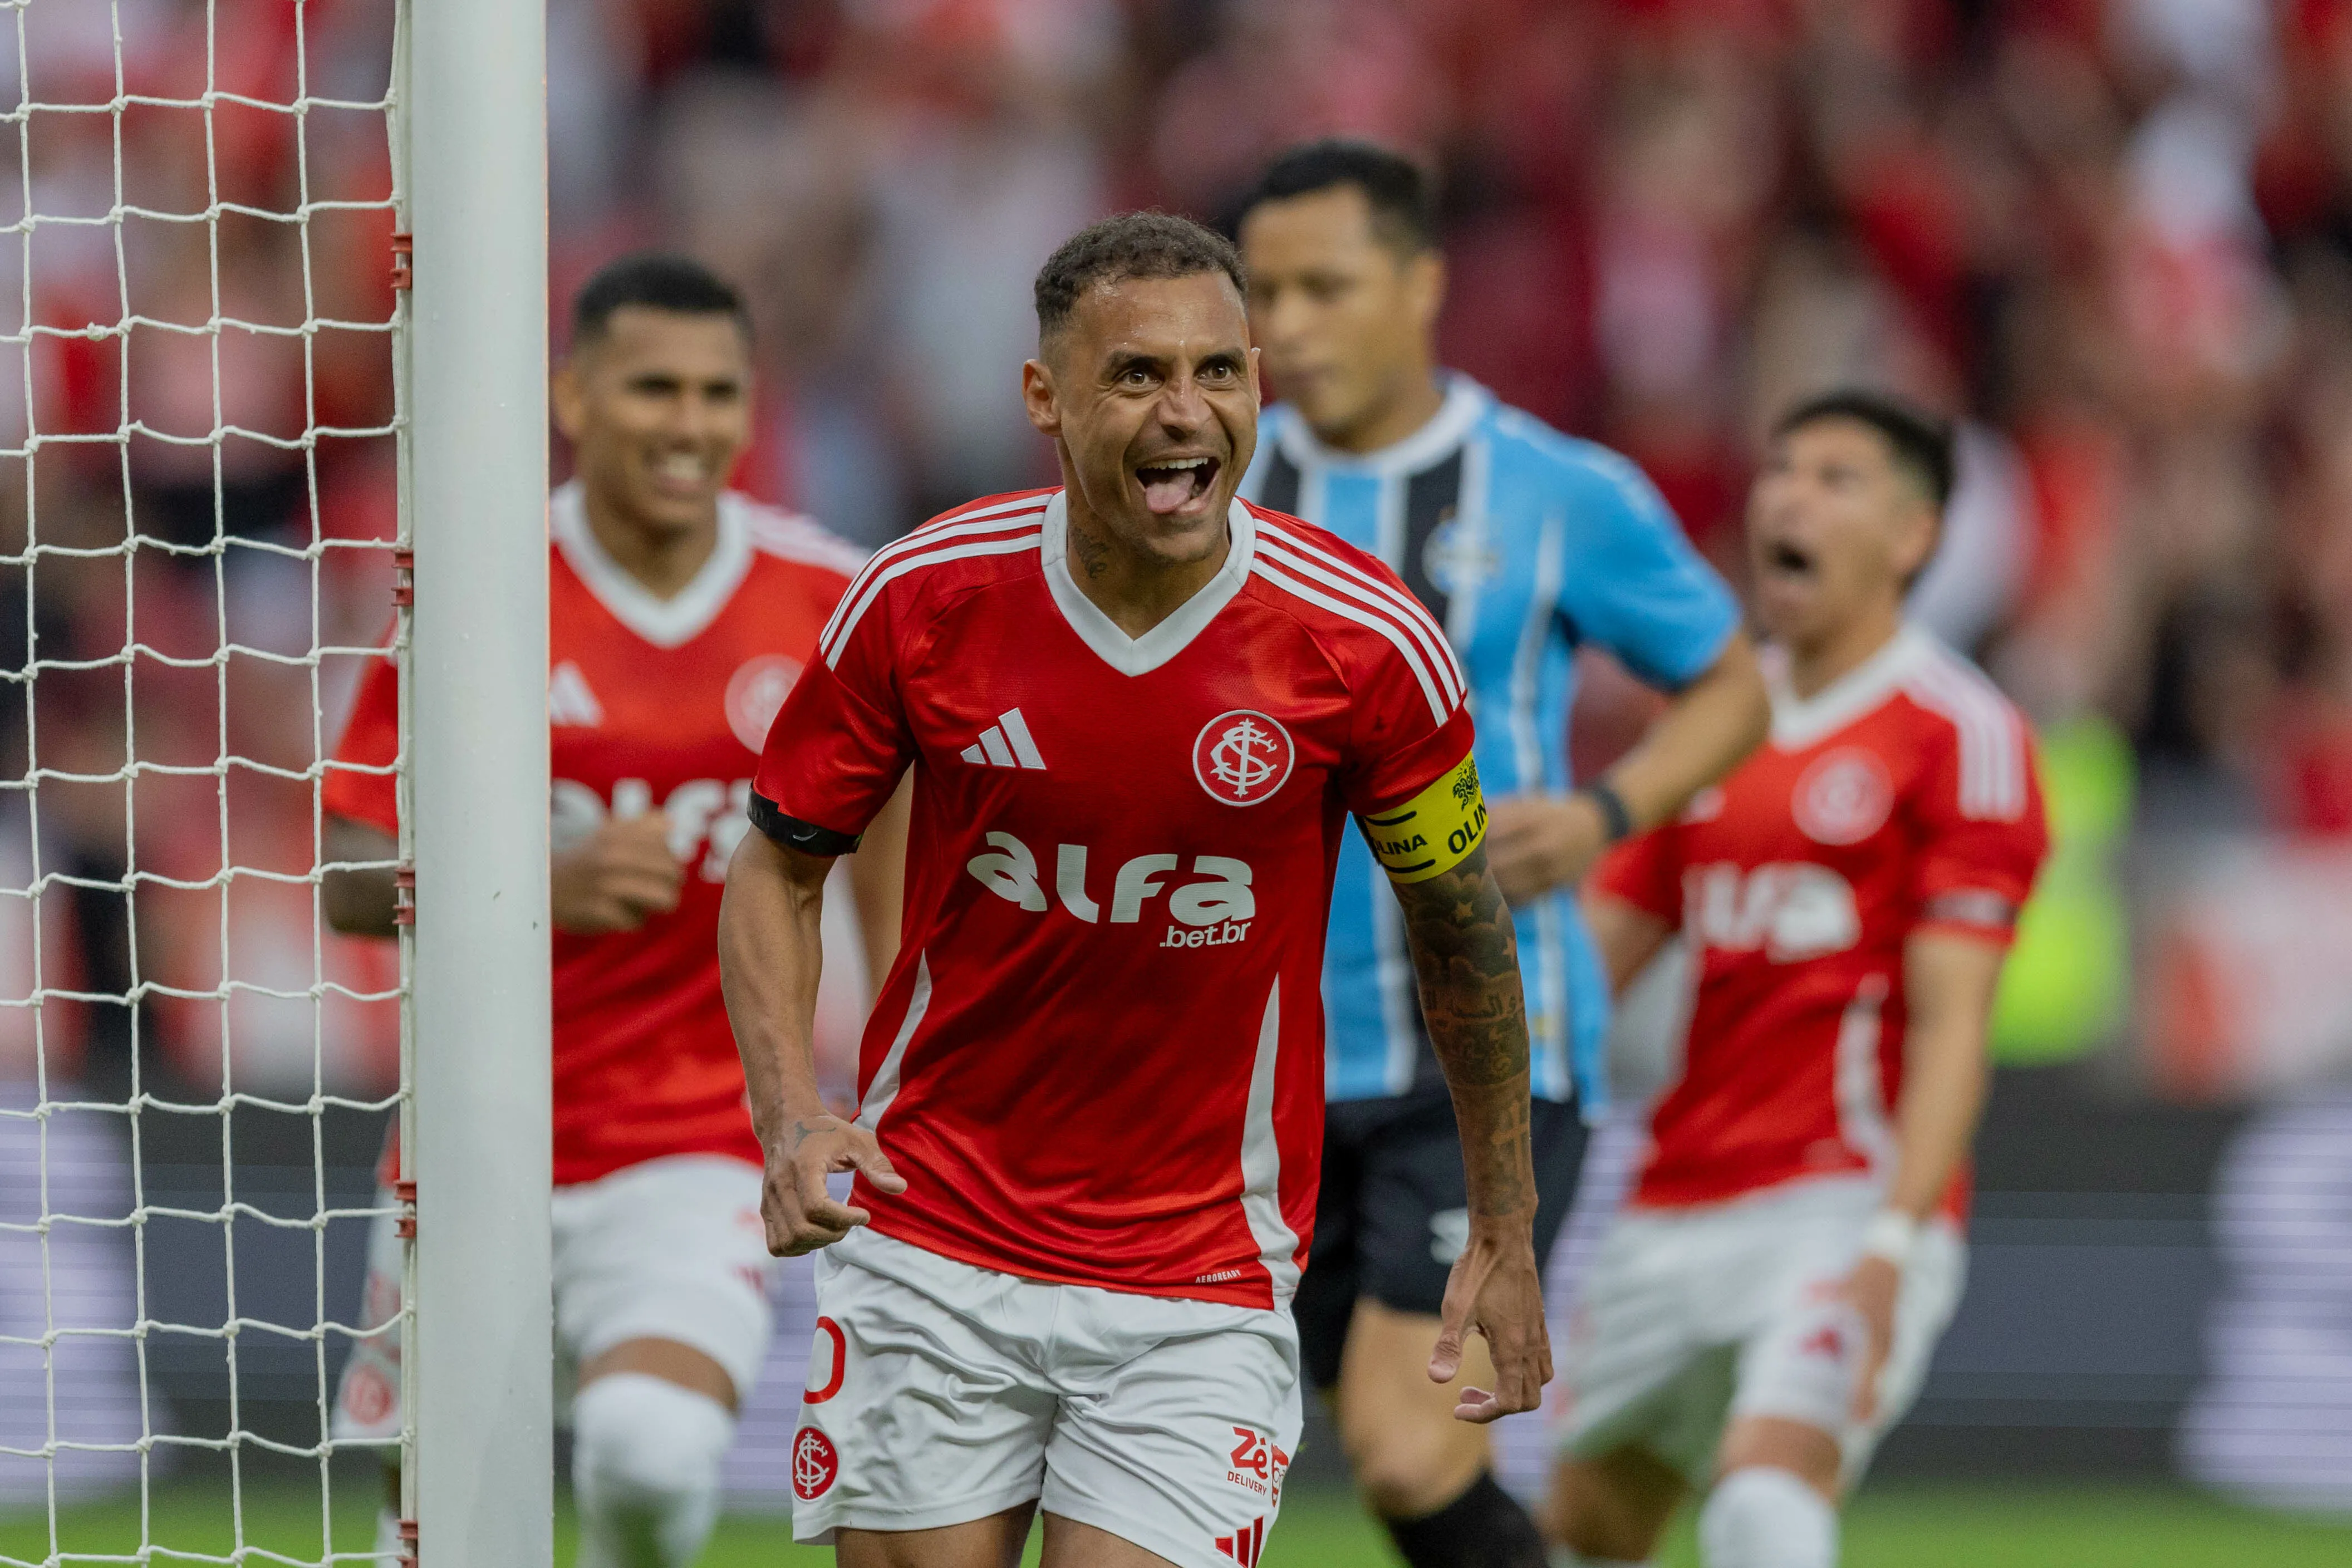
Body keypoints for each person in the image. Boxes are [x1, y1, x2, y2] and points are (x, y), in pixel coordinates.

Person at [718, 211, 1548, 1568]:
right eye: (1138, 376)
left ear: (1259, 386)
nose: (1187, 412)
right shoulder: (923, 600)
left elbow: (1464, 935)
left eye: (1219, 372)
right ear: (1045, 397)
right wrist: (791, 1115)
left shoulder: (1368, 643)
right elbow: (777, 867)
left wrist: (1504, 1222)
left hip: (1200, 1274)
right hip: (932, 1238)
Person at [321, 255, 906, 1568]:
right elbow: (346, 877)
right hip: (469, 1143)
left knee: (650, 1453)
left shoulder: (831, 599)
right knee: (428, 1536)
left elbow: (901, 867)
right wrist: (534, 889)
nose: (688, 424)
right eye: (653, 388)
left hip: (695, 1138)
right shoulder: (469, 590)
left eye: (717, 392)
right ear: (572, 395)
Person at [1232, 139, 1769, 1568]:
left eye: (1326, 286)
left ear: (1420, 286)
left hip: (1480, 1053)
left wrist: (1605, 812)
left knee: (1413, 1448)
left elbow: (1731, 684)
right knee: (1216, 1450)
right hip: (1242, 1059)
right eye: (1264, 291)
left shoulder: (1552, 489)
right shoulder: (1209, 495)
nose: (1286, 326)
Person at [1541, 391, 2050, 1568]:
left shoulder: (1956, 731)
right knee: (1574, 1539)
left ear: (1914, 538)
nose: (1789, 497)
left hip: (1840, 1200)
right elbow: (1590, 963)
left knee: (1763, 1508)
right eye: (1781, 470)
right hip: (1672, 1204)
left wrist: (1893, 1242)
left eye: (1836, 478)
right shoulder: (1717, 718)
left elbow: (1950, 1028)